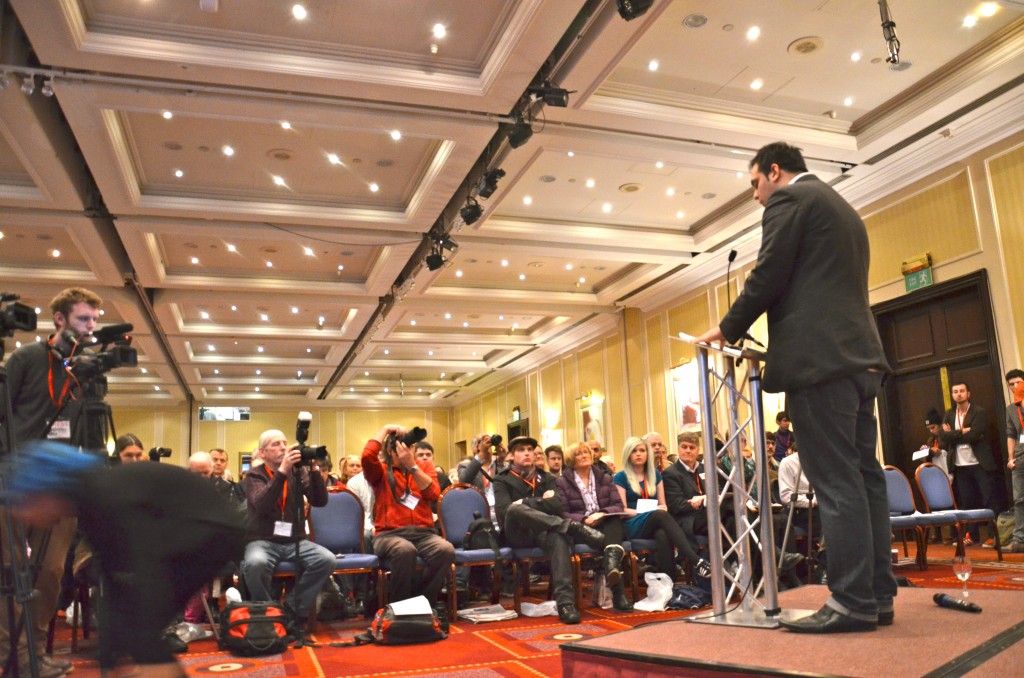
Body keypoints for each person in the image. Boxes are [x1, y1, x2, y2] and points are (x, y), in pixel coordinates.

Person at [694, 142, 896, 633]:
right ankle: (876, 595)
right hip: (860, 361)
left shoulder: (790, 200)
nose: (757, 197)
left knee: (835, 480)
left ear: (775, 171)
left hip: (820, 364)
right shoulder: (842, 206)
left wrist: (728, 326)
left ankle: (850, 600)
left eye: (755, 185)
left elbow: (771, 272)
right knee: (865, 476)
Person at [11, 441, 245, 678]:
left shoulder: (104, 499)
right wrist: (111, 649)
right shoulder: (92, 501)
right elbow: (112, 575)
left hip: (208, 535)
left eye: (28, 502)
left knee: (140, 629)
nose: (25, 514)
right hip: (193, 535)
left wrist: (119, 644)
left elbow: (140, 567)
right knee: (138, 627)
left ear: (48, 491)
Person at [0, 287, 102, 678]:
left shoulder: (85, 371)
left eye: (94, 320)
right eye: (83, 319)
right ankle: (14, 657)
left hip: (60, 490)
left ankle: (35, 654)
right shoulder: (26, 359)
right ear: (59, 319)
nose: (90, 327)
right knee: (11, 574)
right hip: (16, 483)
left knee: (49, 574)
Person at [493, 436, 605, 624]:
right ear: (511, 456)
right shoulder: (502, 480)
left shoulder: (546, 478)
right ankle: (572, 527)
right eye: (521, 450)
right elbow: (505, 511)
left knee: (558, 537)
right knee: (514, 509)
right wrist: (540, 502)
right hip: (517, 533)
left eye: (530, 449)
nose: (527, 453)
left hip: (545, 531)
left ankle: (565, 603)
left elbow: (557, 506)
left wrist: (527, 503)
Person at [241, 429, 334, 644]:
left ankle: (290, 610)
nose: (283, 447)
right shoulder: (255, 475)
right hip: (262, 540)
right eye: (276, 444)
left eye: (284, 443)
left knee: (326, 559)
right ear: (262, 453)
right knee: (255, 563)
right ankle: (268, 614)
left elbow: (319, 501)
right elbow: (262, 505)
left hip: (294, 541)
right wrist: (282, 471)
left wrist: (313, 471)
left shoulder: (297, 472)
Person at [361, 425, 454, 611]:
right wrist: (385, 430)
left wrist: (412, 466)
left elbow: (434, 493)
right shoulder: (380, 471)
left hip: (424, 534)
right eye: (400, 447)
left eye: (410, 448)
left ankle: (424, 603)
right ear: (390, 450)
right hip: (389, 535)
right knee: (405, 550)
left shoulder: (424, 467)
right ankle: (399, 608)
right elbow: (366, 456)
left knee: (446, 549)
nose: (407, 451)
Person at [613, 437, 709, 580]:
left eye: (642, 450)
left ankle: (670, 584)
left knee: (663, 534)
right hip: (632, 522)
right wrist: (648, 511)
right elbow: (623, 510)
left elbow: (663, 506)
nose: (638, 454)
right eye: (634, 451)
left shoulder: (656, 475)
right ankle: (696, 561)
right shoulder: (620, 477)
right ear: (628, 454)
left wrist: (657, 510)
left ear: (647, 454)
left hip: (655, 520)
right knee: (659, 515)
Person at [555, 442, 632, 611]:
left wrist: (602, 513)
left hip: (604, 521)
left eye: (586, 452)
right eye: (579, 454)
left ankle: (611, 569)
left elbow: (618, 505)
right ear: (571, 459)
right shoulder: (562, 482)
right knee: (612, 538)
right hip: (582, 527)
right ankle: (618, 592)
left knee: (614, 521)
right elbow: (562, 512)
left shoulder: (604, 477)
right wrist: (584, 518)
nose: (584, 455)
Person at [939, 381, 994, 545]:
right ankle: (971, 534)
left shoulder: (978, 411)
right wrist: (963, 431)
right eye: (955, 391)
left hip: (979, 463)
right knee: (968, 501)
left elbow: (975, 435)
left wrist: (954, 434)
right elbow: (943, 436)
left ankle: (993, 535)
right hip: (960, 465)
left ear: (968, 393)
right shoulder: (949, 414)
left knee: (988, 498)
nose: (958, 394)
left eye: (962, 391)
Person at [1004, 372, 1024, 553]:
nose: (1015, 386)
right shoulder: (1011, 409)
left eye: (1018, 382)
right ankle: (1019, 539)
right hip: (1020, 456)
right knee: (1019, 499)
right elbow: (1011, 434)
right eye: (1011, 384)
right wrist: (1011, 457)